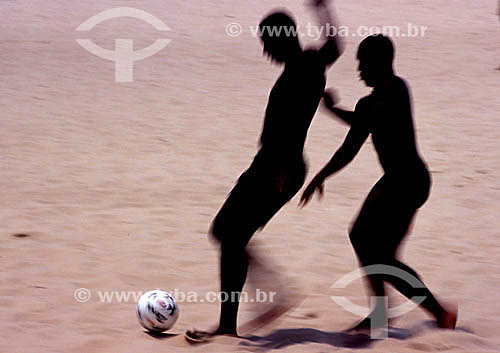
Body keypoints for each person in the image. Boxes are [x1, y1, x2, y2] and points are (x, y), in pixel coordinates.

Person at [185, 0, 344, 342]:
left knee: (226, 233)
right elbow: (335, 45)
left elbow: (333, 48)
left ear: (282, 39)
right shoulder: (308, 64)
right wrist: (321, 10)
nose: (265, 51)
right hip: (274, 165)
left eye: (267, 44)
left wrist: (322, 8)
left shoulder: (304, 67)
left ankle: (262, 301)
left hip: (279, 167)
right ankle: (254, 306)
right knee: (228, 234)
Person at [300, 34, 457, 331]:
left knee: (376, 250)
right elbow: (360, 129)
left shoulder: (394, 91)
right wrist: (335, 115)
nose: (359, 70)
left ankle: (425, 312)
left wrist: (321, 174)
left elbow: (356, 137)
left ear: (381, 63)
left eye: (363, 64)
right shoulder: (388, 94)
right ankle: (411, 312)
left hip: (407, 182)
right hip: (401, 180)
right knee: (370, 244)